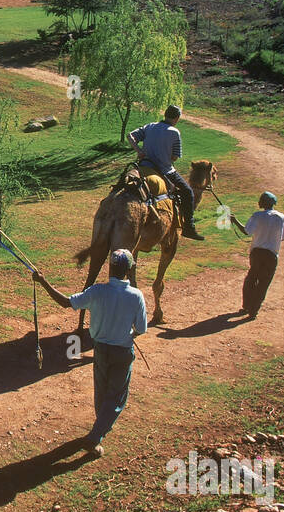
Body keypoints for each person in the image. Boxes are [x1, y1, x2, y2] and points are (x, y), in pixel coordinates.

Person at [32, 250, 147, 458]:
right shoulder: (136, 296)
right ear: (130, 269)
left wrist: (43, 282)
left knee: (102, 393)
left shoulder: (97, 291)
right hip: (122, 352)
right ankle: (95, 437)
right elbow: (141, 328)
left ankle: (97, 432)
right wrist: (131, 333)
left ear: (110, 268)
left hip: (100, 351)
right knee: (117, 397)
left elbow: (66, 302)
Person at [127, 104, 204, 241]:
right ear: (177, 118)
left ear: (165, 115)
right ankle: (188, 228)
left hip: (144, 166)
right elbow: (174, 157)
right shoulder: (174, 132)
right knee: (188, 192)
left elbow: (130, 135)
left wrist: (139, 151)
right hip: (164, 169)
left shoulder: (150, 126)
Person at [232, 192, 284, 321]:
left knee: (251, 279)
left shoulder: (257, 216)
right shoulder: (281, 217)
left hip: (256, 253)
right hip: (271, 255)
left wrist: (234, 221)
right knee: (263, 283)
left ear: (263, 203)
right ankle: (254, 311)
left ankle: (246, 305)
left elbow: (246, 231)